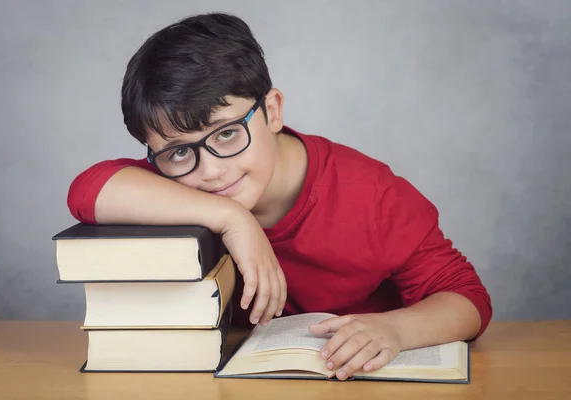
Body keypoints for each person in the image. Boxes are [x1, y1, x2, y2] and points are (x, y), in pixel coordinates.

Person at [67, 13, 492, 380]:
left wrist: (397, 330)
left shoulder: (372, 193)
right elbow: (87, 190)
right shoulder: (177, 183)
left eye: (228, 133)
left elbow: (467, 298)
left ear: (272, 111)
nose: (210, 170)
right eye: (180, 151)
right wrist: (234, 220)